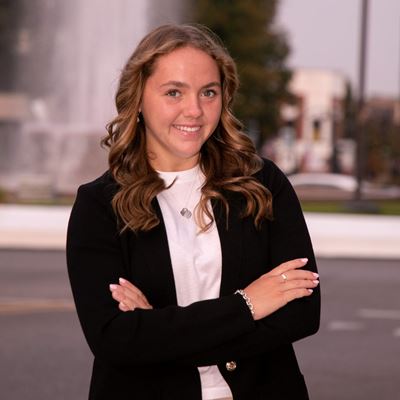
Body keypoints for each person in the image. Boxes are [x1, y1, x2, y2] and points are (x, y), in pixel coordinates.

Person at [66, 23, 320, 400]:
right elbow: (114, 339)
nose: (195, 110)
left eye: (208, 92)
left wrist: (156, 331)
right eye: (174, 92)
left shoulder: (262, 184)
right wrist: (248, 305)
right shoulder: (100, 204)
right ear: (138, 99)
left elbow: (302, 313)